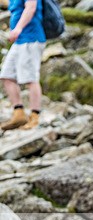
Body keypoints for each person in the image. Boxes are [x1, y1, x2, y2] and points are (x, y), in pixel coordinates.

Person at [0, 0, 46, 131]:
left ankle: (35, 116)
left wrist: (18, 28)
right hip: (19, 41)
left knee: (31, 78)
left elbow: (31, 8)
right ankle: (19, 114)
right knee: (6, 75)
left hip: (31, 39)